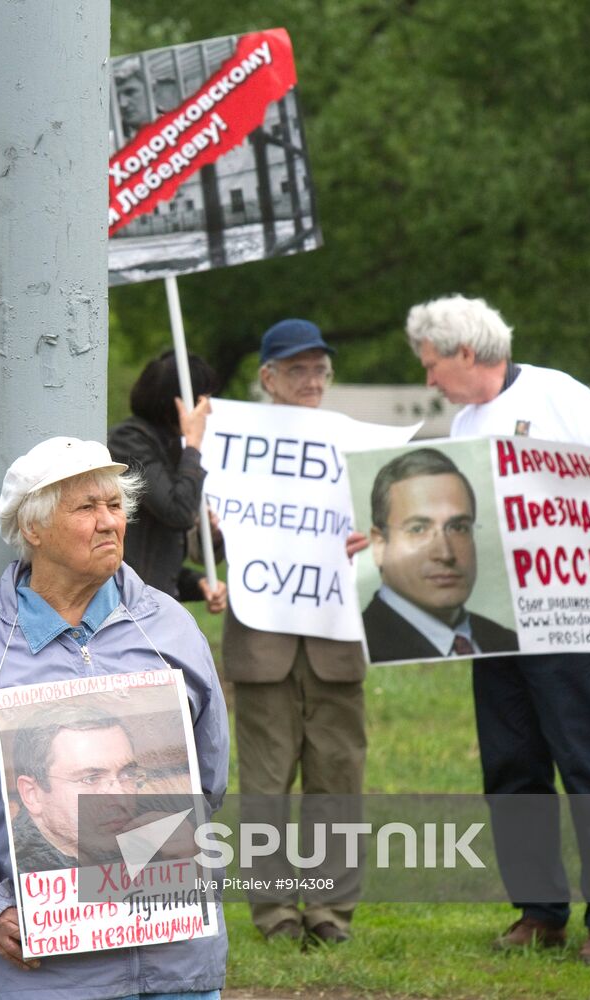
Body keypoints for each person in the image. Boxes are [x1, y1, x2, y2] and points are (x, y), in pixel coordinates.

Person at [0, 436, 229, 1000]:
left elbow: (208, 777)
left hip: (174, 966)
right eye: (86, 508)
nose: (110, 523)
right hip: (46, 978)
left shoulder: (171, 628)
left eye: (113, 506)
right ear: (33, 529)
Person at [405, 294, 590, 967]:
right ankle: (539, 913)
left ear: (467, 353)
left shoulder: (558, 394)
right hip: (493, 619)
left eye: (433, 364)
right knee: (511, 768)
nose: (429, 380)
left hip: (567, 615)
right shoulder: (466, 418)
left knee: (583, 765)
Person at [221, 318, 367, 945]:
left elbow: (385, 521)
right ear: (268, 378)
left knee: (338, 779)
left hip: (336, 637)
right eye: (298, 369)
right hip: (263, 642)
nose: (312, 380)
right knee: (266, 784)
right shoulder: (237, 446)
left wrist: (372, 539)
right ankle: (276, 912)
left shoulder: (352, 444)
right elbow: (216, 528)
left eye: (320, 370)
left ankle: (330, 913)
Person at [362, 448, 520, 663]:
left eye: (458, 528)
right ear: (379, 545)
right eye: (418, 529)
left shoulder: (507, 642)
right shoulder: (359, 649)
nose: (445, 554)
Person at [107, 350, 227, 614]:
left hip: (152, 613)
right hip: (125, 614)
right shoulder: (129, 443)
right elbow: (178, 511)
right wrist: (194, 445)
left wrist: (199, 583)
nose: (210, 409)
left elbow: (158, 558)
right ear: (181, 403)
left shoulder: (173, 449)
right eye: (203, 400)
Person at [9, 705, 147, 873]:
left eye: (127, 775)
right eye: (90, 779)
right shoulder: (8, 877)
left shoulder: (143, 840)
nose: (121, 798)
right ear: (32, 794)